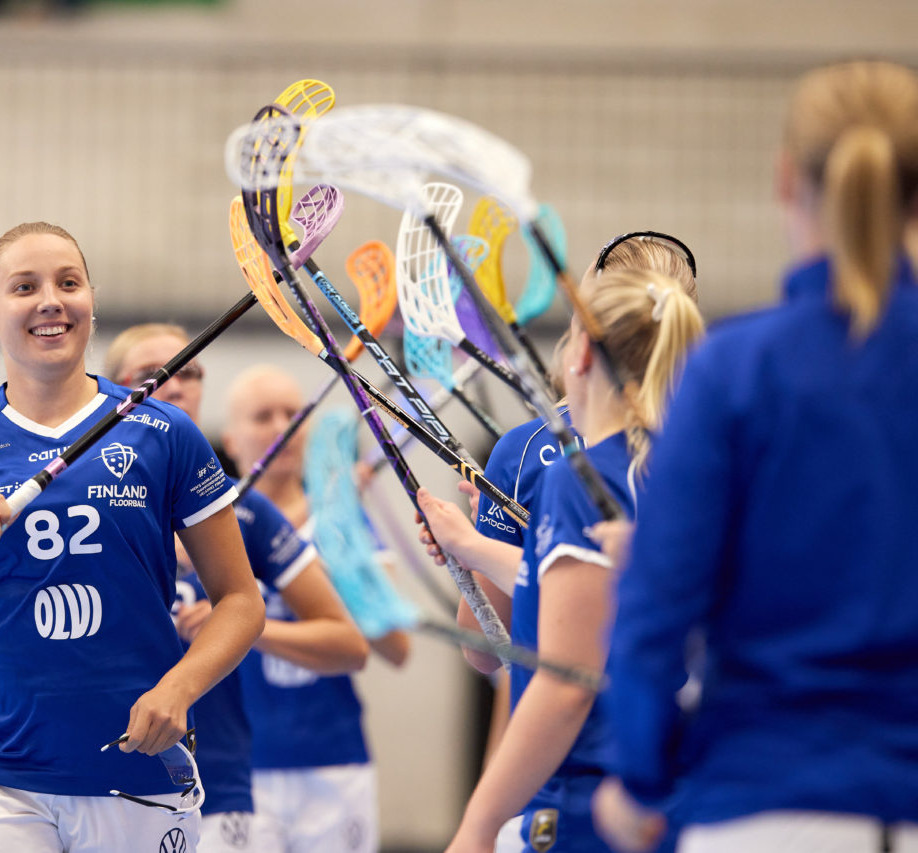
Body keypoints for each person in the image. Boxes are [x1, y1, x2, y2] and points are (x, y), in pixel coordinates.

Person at [0, 222, 265, 853]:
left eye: (68, 283)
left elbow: (241, 601)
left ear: (91, 304)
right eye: (25, 287)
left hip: (137, 763)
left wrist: (179, 688)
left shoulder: (166, 432)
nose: (50, 300)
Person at [592, 60, 918, 853]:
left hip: (769, 802)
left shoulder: (738, 370)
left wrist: (641, 777)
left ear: (784, 179)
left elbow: (655, 611)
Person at [416, 266, 703, 853]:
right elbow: (605, 616)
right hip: (670, 783)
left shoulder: (581, 477)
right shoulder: (685, 465)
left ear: (579, 356)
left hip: (585, 790)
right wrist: (476, 549)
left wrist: (477, 827)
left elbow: (567, 682)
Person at [103, 323, 370, 853]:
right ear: (112, 394)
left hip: (217, 787)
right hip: (100, 780)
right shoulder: (84, 503)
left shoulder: (242, 511)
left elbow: (350, 645)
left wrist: (239, 620)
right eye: (152, 376)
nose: (175, 385)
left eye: (191, 371)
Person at [221, 364, 411, 853]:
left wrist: (335, 543)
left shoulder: (346, 522)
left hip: (333, 761)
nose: (281, 427)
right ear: (231, 438)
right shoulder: (211, 531)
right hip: (238, 767)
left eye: (294, 414)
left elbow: (395, 646)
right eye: (263, 416)